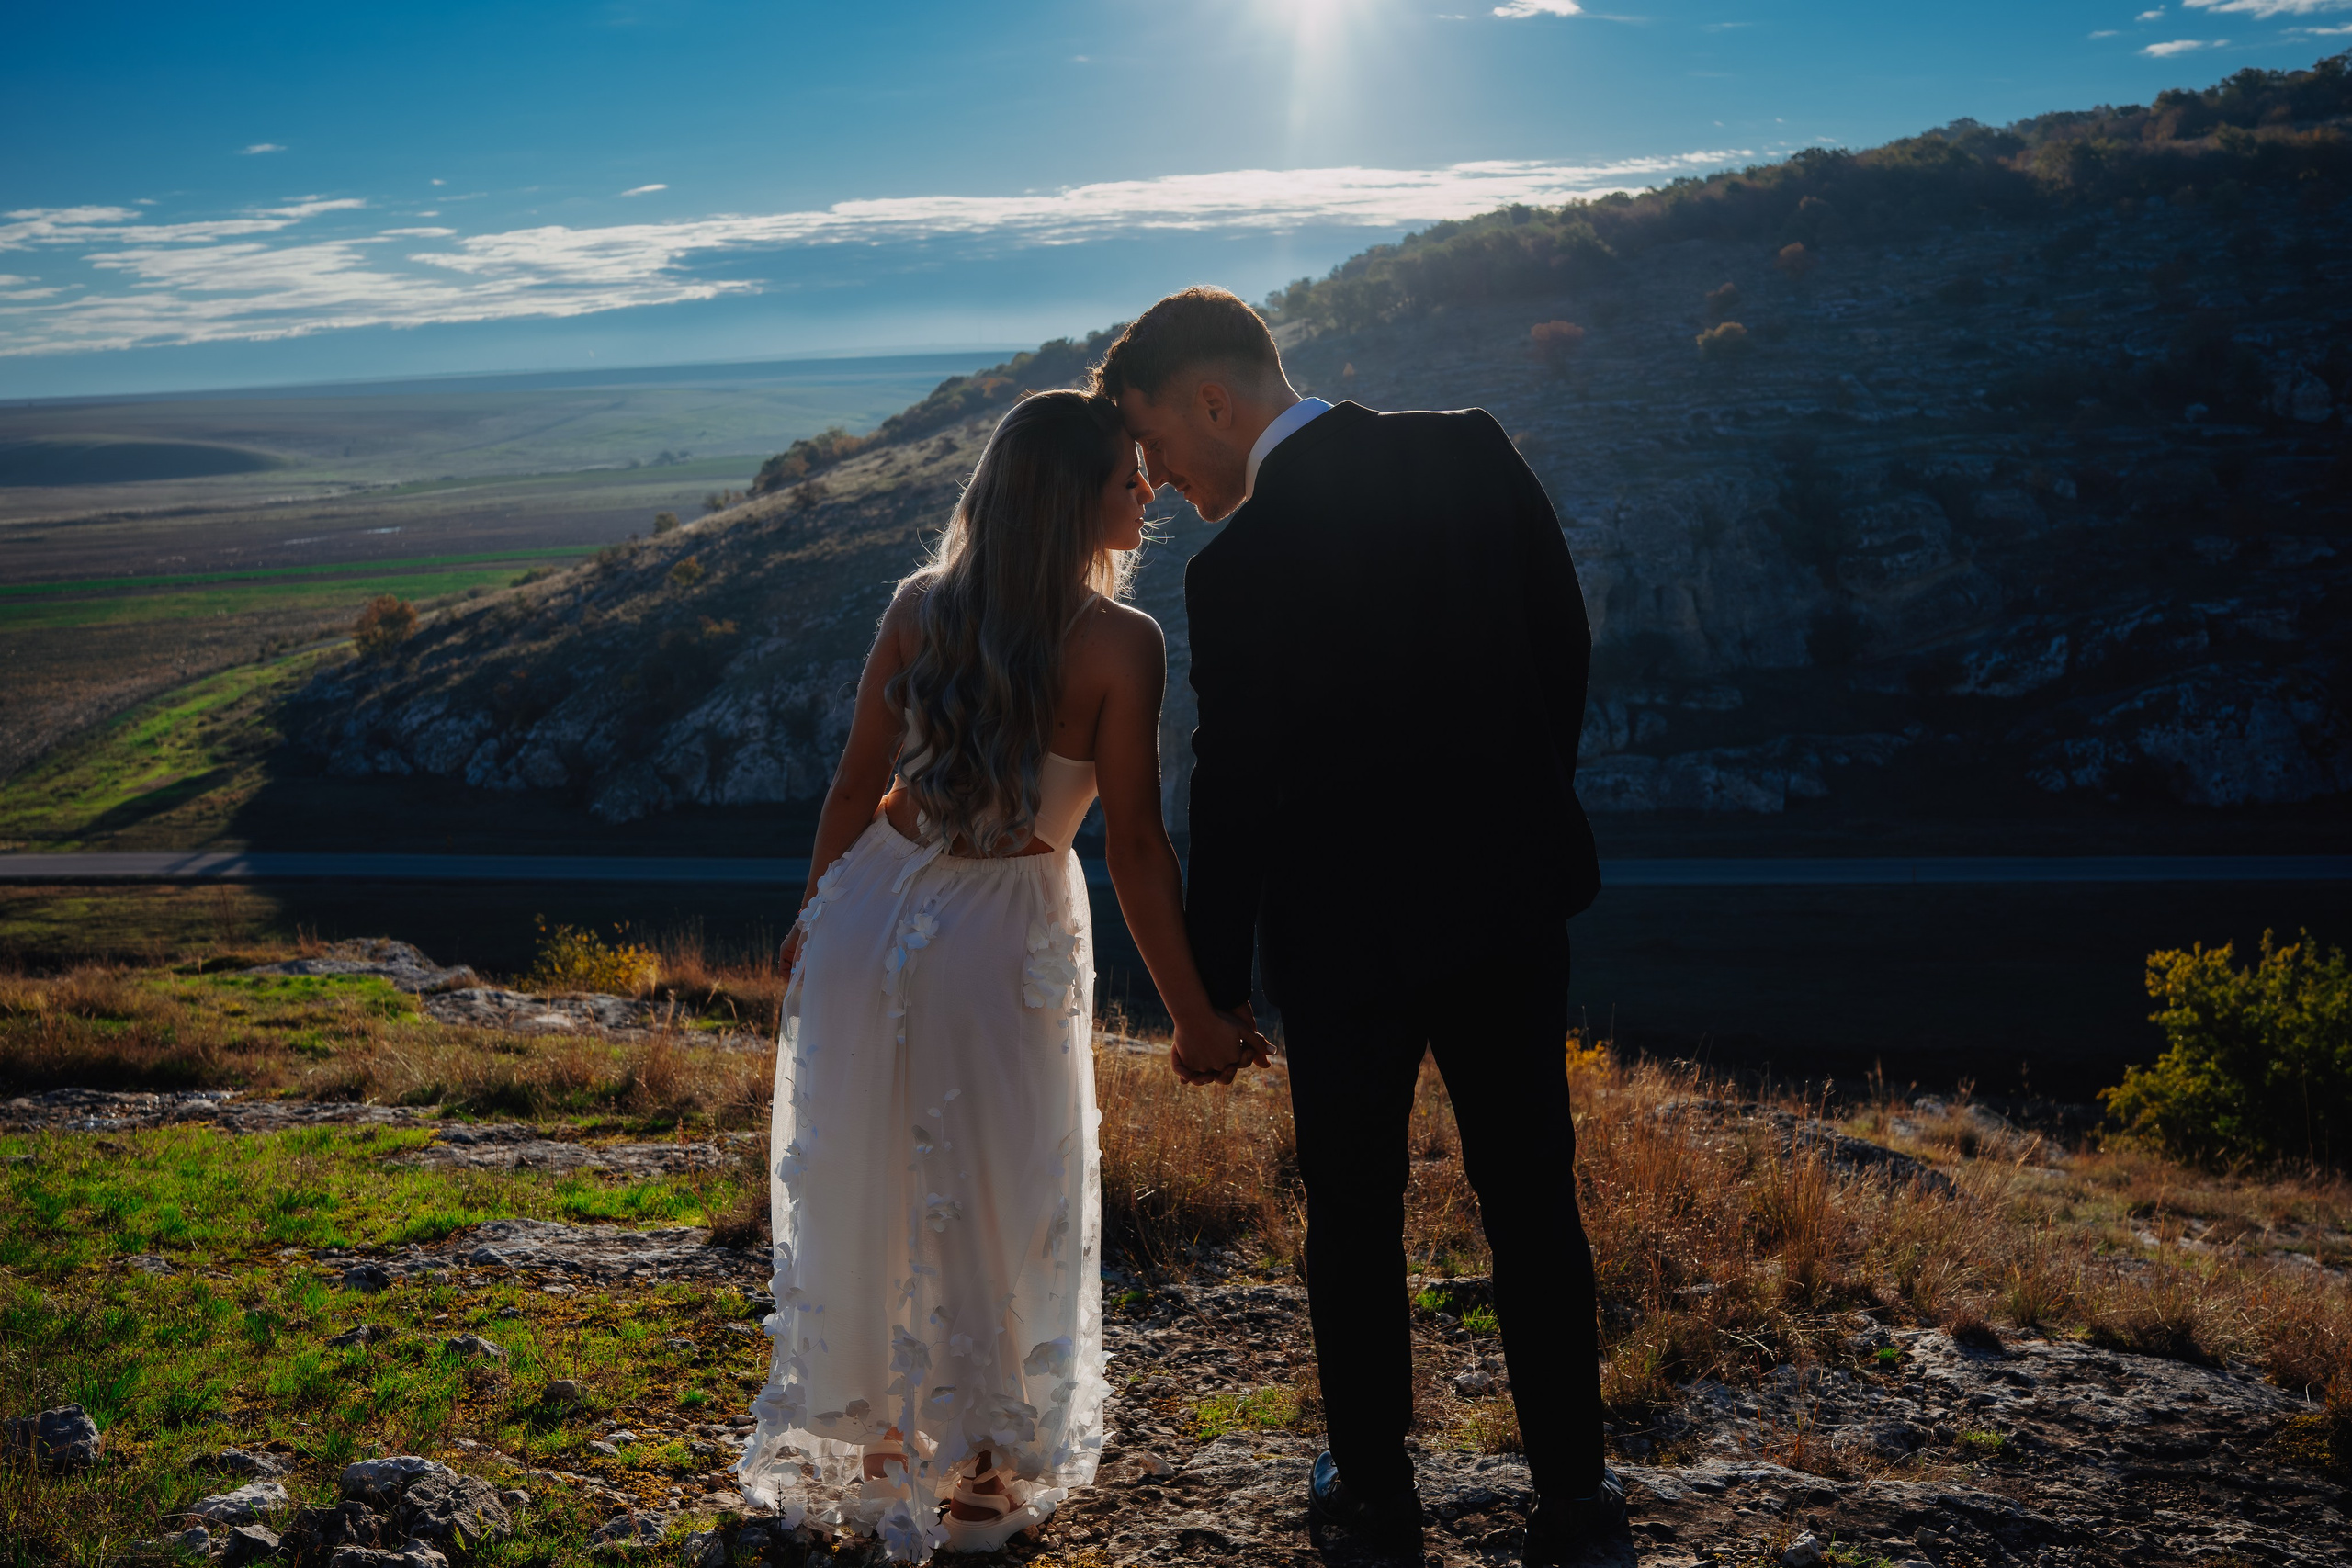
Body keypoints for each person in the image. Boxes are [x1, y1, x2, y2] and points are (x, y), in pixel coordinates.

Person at [1096, 287, 1623, 1564]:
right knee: (1535, 1198)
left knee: (1354, 1208)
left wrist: (1212, 992)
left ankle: (1378, 1490)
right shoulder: (1469, 448)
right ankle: (1576, 1495)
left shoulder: (1238, 574)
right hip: (1507, 902)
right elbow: (1566, 646)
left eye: (1155, 441)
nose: (1153, 478)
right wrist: (1515, 803)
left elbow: (1235, 796)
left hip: (1343, 943)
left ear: (1214, 402)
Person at [736, 389, 1268, 1562]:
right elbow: (1132, 843)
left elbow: (847, 790)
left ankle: (881, 1446)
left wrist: (815, 913)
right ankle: (977, 1475)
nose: (1147, 494)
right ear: (1073, 501)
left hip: (875, 905)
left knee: (872, 1163)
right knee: (999, 1181)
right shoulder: (1122, 643)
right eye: (1129, 479)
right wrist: (1193, 1017)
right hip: (999, 932)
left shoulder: (921, 607)